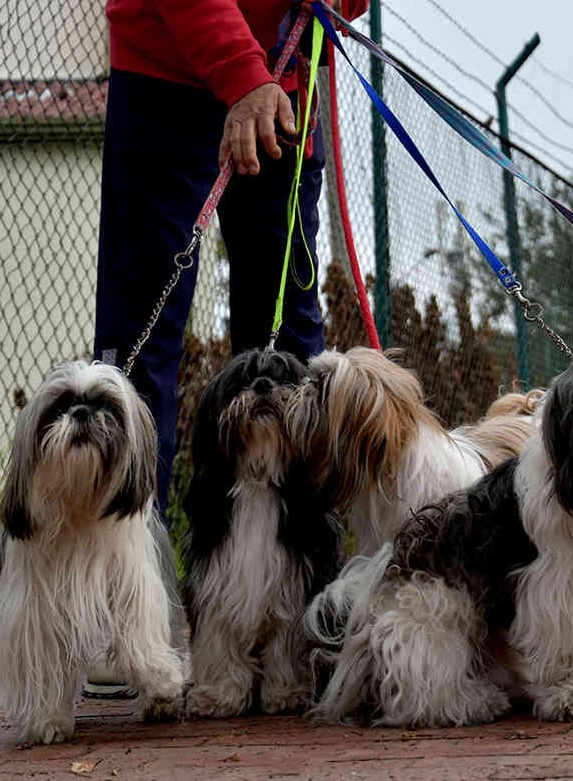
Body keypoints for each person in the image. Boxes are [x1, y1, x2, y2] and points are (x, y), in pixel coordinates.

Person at [88, 0, 369, 697]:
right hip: (167, 68)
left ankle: (306, 605)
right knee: (141, 346)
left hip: (283, 75)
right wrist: (240, 74)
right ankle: (127, 609)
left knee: (289, 359)